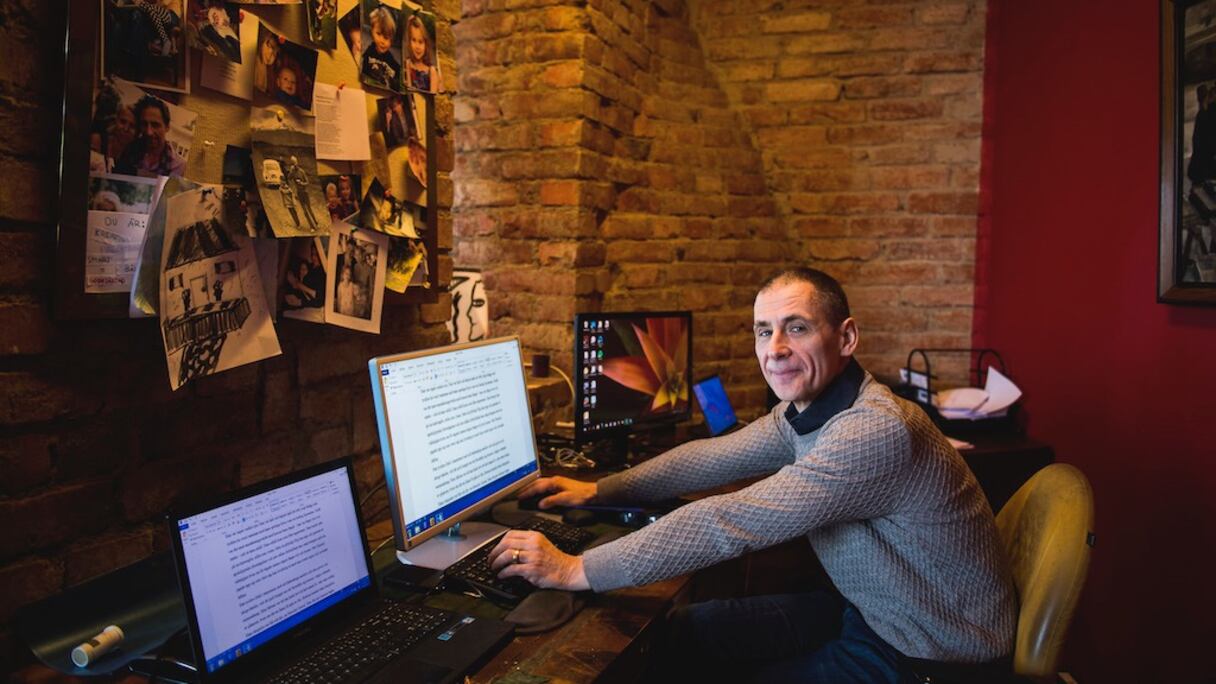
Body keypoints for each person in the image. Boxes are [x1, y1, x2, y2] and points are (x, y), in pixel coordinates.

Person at [492, 268, 1018, 682]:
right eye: (764, 331)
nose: (775, 349)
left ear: (847, 337)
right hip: (872, 610)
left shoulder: (873, 432)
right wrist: (600, 489)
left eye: (797, 327)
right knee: (685, 632)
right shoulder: (808, 410)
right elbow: (711, 457)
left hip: (929, 652)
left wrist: (573, 570)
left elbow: (730, 520)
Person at [113, 95, 185, 178]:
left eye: (155, 125)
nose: (148, 132)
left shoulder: (178, 166)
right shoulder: (128, 149)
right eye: (144, 124)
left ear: (167, 127)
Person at [361, 5, 400, 91]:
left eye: (386, 38)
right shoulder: (369, 52)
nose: (382, 41)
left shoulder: (390, 58)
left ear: (391, 40)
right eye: (378, 34)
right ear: (372, 31)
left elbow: (399, 73)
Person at [404, 14, 439, 93]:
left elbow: (432, 100)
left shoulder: (431, 71)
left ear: (426, 44)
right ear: (409, 42)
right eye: (414, 40)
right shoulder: (407, 64)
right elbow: (408, 92)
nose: (417, 47)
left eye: (421, 42)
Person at [284, 155, 319, 231]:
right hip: (299, 193)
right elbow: (289, 178)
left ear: (297, 162)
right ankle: (312, 226)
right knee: (305, 211)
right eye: (293, 163)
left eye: (295, 163)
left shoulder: (301, 171)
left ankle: (315, 222)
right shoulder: (292, 172)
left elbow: (307, 182)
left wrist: (301, 183)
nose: (294, 165)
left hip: (305, 192)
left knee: (309, 209)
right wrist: (290, 171)